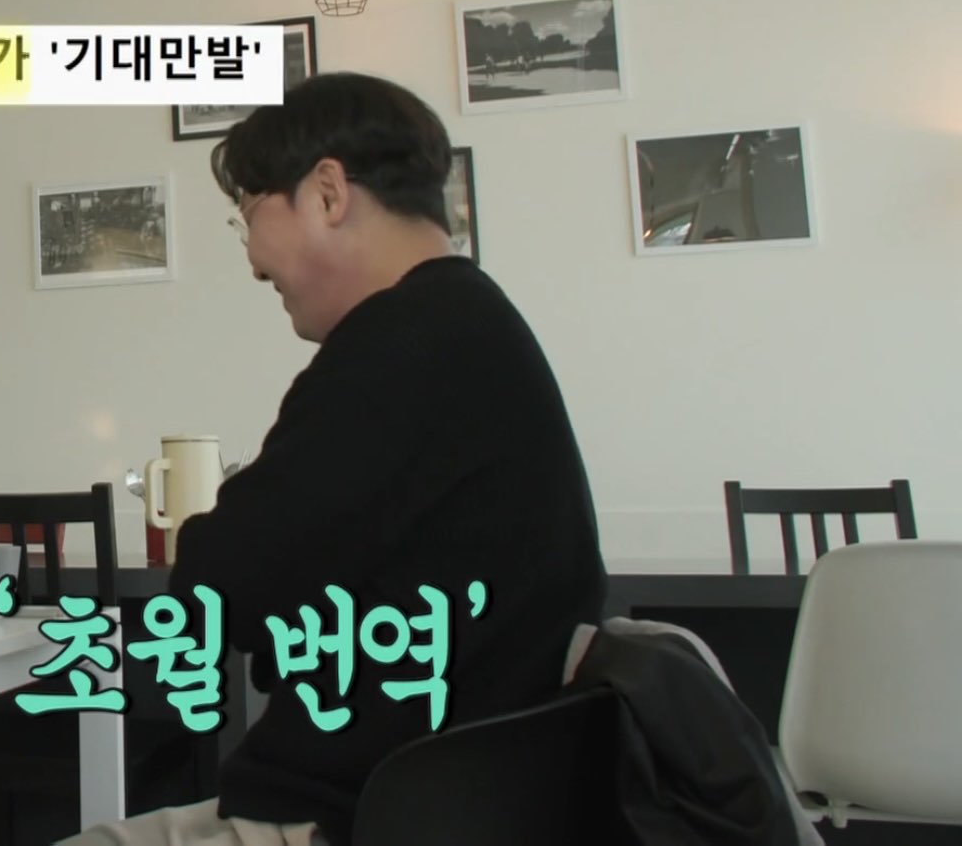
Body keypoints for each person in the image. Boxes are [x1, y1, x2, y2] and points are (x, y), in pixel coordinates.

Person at [60, 74, 607, 846]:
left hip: (362, 815)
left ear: (326, 194)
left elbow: (220, 586)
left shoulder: (400, 345)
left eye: (248, 214)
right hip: (441, 800)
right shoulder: (468, 324)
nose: (254, 263)